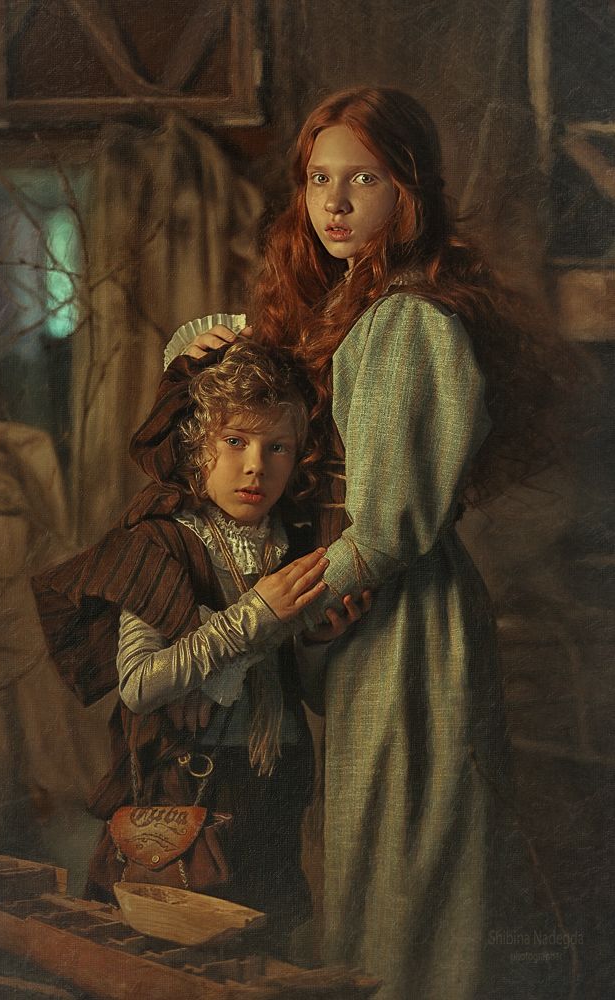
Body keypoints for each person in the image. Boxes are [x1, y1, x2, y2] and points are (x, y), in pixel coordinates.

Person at [168, 88, 570, 998]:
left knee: (408, 878)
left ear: (409, 190)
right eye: (319, 179)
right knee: (370, 866)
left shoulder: (407, 320)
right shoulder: (352, 309)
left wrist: (273, 611)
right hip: (366, 619)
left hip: (409, 628)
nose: (336, 203)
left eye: (364, 179)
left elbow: (388, 527)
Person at [33, 339, 368, 952]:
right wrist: (254, 617)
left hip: (271, 784)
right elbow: (139, 686)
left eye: (277, 447)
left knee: (263, 952)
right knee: (175, 956)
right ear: (197, 446)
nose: (255, 466)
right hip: (186, 791)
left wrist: (318, 643)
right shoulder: (165, 545)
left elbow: (311, 699)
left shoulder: (295, 548)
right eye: (235, 440)